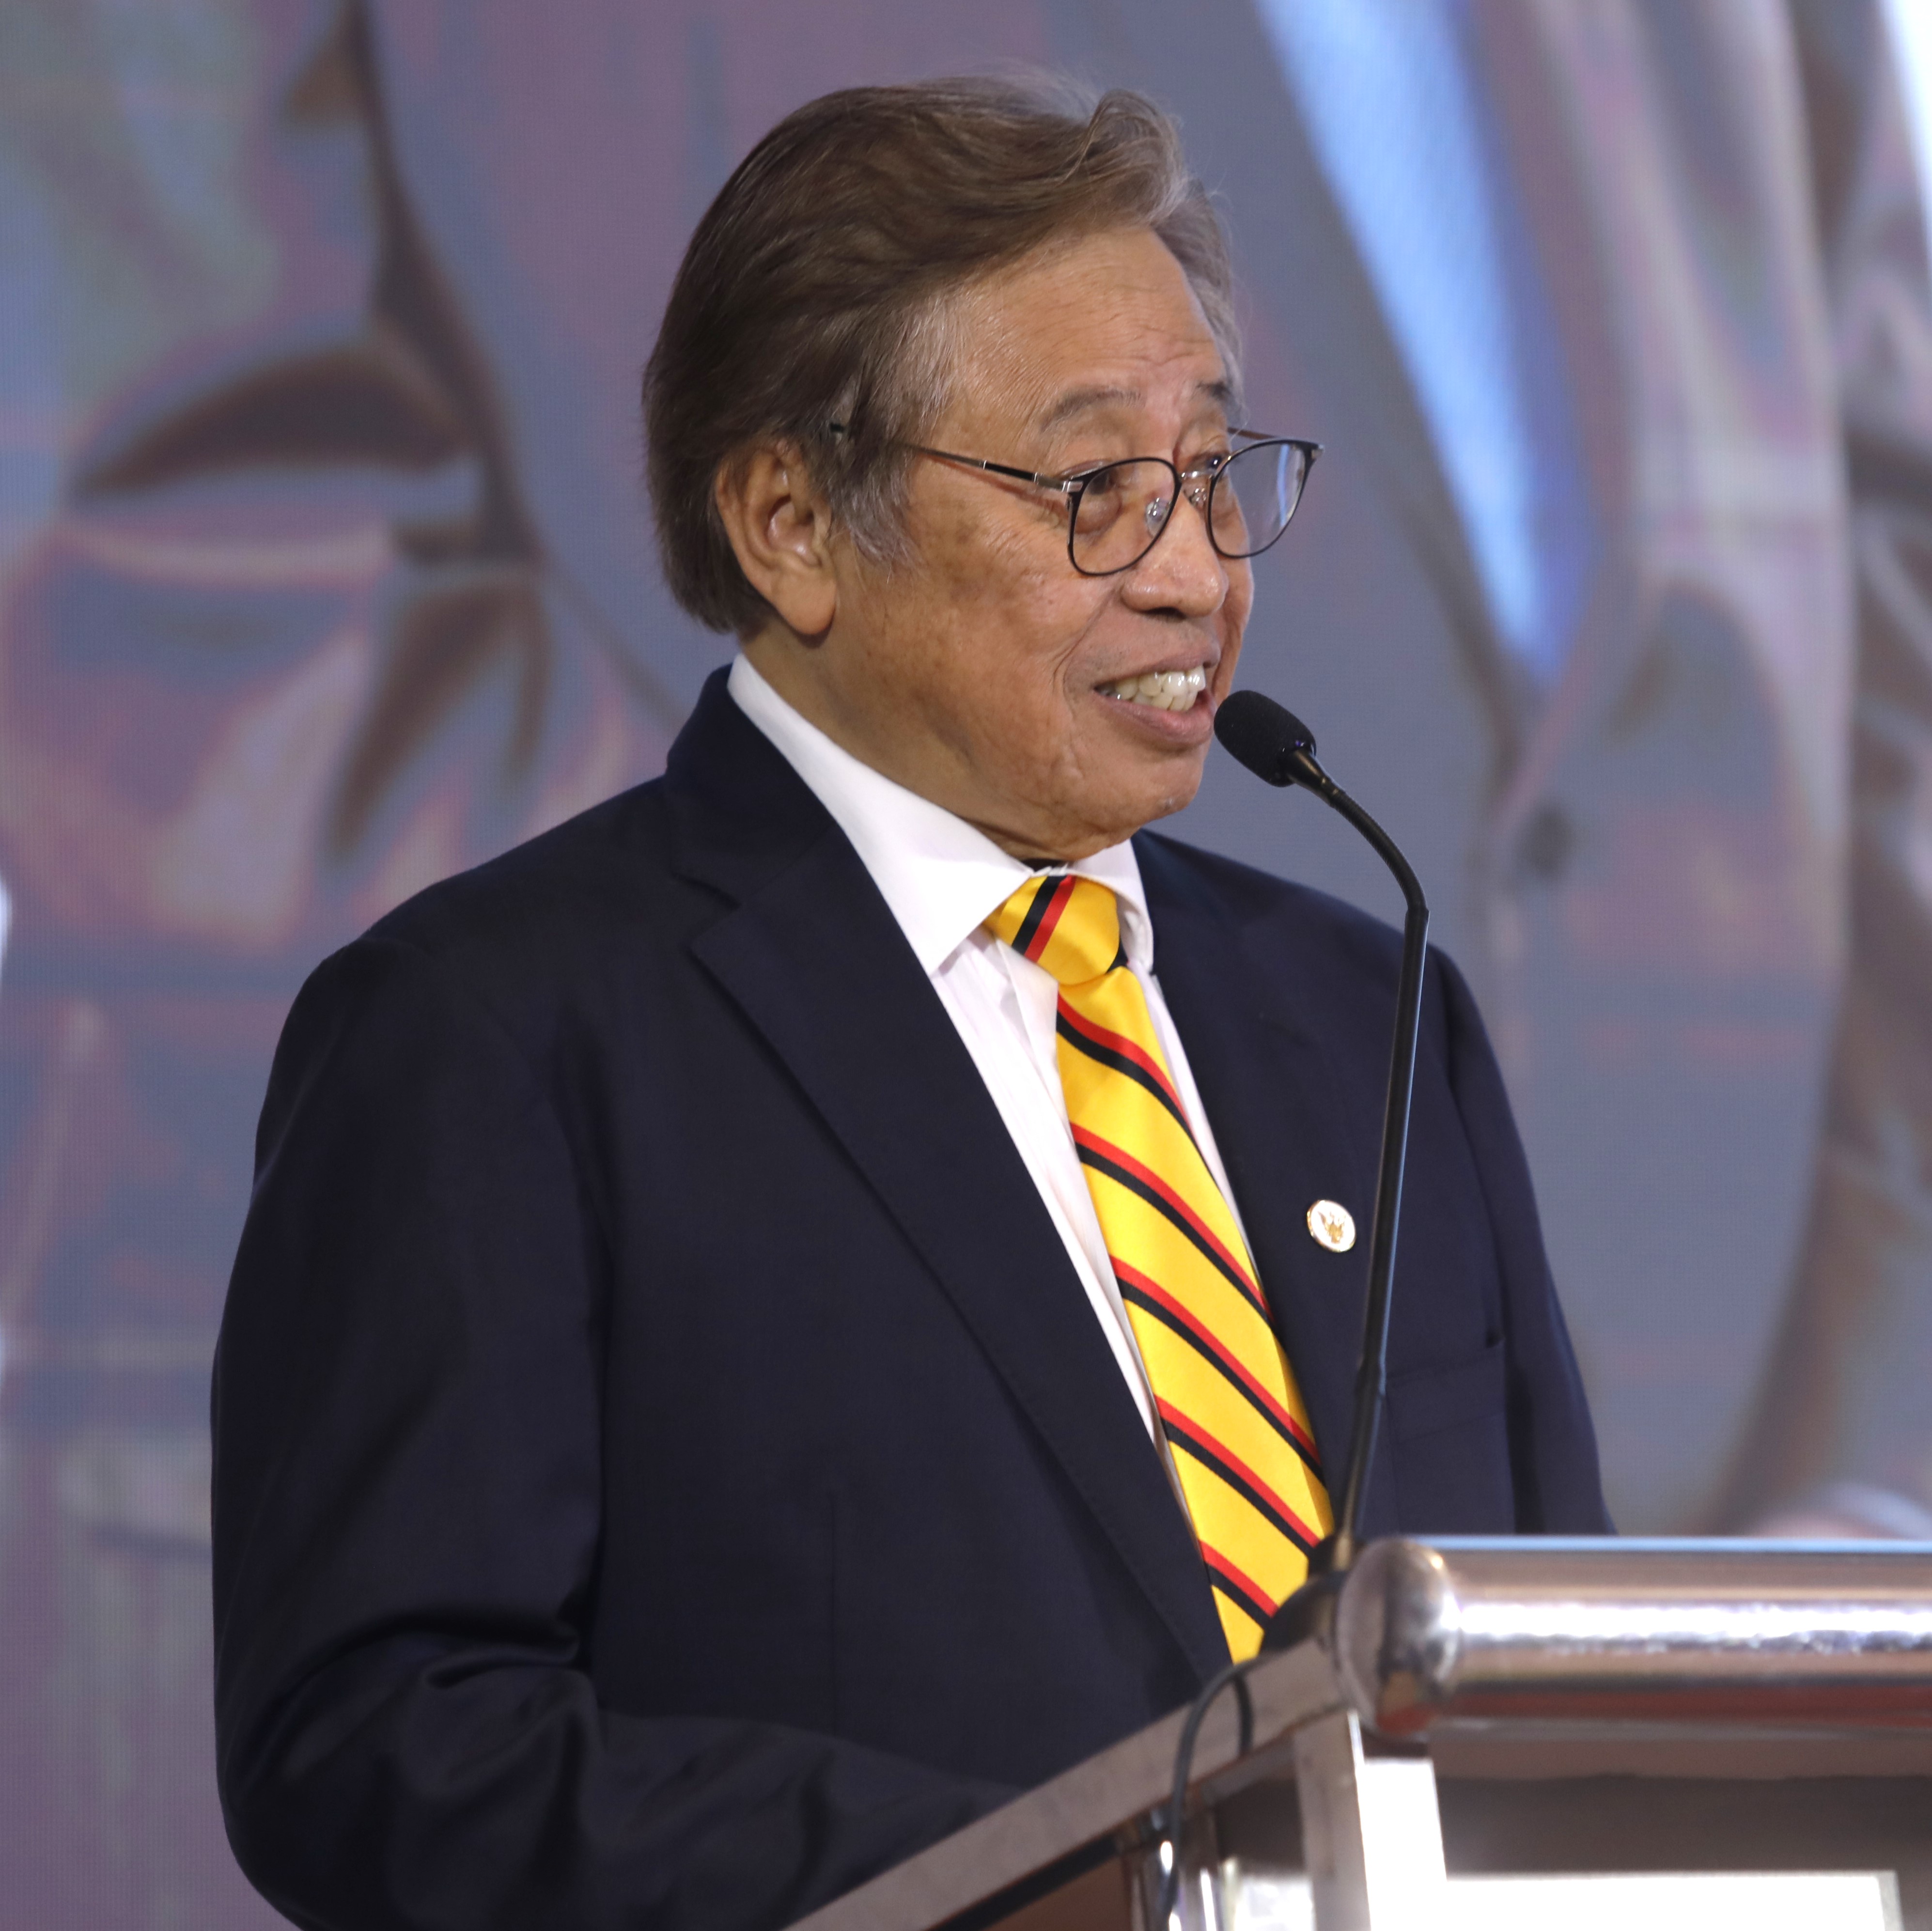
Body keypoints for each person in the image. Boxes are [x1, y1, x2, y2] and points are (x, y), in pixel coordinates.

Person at [210, 78, 1607, 1931]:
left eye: (1211, 474)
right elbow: (384, 1743)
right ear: (790, 521)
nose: (1195, 573)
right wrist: (1054, 1888)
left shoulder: (1372, 1014)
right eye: (1094, 491)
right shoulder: (495, 1035)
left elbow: (1552, 1666)